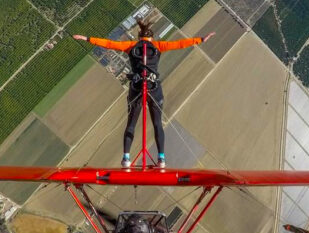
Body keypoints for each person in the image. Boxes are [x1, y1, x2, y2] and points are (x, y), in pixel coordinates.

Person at [73, 19, 214, 169]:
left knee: (131, 124)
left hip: (137, 87)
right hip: (154, 87)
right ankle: (161, 159)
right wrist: (201, 40)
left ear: (139, 37)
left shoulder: (130, 46)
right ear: (151, 38)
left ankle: (126, 158)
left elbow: (108, 44)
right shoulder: (158, 46)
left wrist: (87, 38)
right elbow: (180, 44)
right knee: (157, 123)